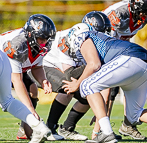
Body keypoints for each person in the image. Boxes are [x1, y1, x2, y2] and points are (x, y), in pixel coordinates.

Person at [60, 22, 147, 143]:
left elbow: (94, 64)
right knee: (134, 115)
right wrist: (97, 128)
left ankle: (107, 133)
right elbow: (105, 93)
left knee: (87, 85)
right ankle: (105, 133)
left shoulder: (82, 36)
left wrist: (77, 84)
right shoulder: (102, 40)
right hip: (142, 63)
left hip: (130, 59)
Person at [41, 11, 113, 141]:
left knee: (88, 95)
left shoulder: (92, 42)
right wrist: (94, 65)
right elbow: (70, 75)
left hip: (72, 68)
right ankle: (50, 128)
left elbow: (106, 88)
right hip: (46, 64)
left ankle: (68, 128)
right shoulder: (71, 37)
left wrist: (100, 117)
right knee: (67, 86)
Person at [102, 0, 147, 139]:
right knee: (111, 86)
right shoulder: (119, 13)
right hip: (104, 44)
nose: (144, 16)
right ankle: (103, 129)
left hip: (121, 44)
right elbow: (106, 38)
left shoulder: (141, 15)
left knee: (131, 80)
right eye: (143, 13)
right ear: (134, 9)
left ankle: (128, 125)